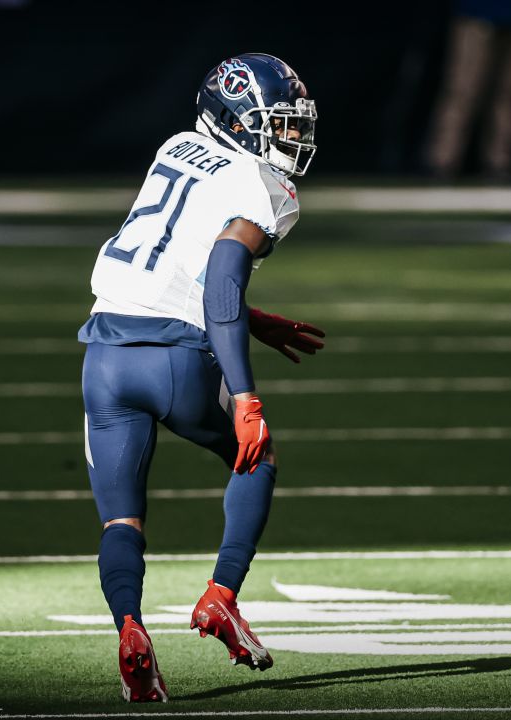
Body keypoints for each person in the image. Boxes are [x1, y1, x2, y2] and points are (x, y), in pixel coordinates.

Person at [77, 53, 326, 702]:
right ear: (237, 120)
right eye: (278, 124)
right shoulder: (266, 188)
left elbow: (173, 260)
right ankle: (221, 597)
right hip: (174, 357)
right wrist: (246, 394)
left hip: (103, 355)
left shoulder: (180, 145)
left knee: (121, 524)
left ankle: (131, 632)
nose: (292, 138)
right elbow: (218, 279)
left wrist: (255, 319)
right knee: (257, 455)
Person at [424, 0, 511, 181]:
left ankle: (499, 163)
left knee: (508, 95)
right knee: (462, 90)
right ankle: (442, 161)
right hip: (476, 12)